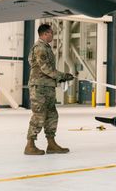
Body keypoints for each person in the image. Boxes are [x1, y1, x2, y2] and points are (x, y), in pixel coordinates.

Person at [24, 23, 76, 155]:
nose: (53, 35)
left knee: (52, 114)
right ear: (45, 33)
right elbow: (45, 68)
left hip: (47, 86)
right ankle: (30, 145)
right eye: (51, 33)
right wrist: (62, 76)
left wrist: (59, 78)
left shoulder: (45, 47)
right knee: (39, 114)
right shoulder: (40, 48)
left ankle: (51, 143)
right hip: (39, 87)